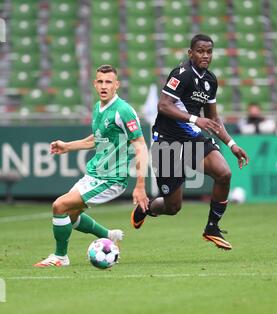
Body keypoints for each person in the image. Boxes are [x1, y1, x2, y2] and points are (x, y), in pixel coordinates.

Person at [131, 34, 249, 250]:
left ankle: (212, 227)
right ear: (190, 53)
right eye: (201, 51)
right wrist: (196, 119)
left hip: (192, 139)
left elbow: (213, 119)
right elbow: (164, 106)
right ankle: (146, 208)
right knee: (173, 206)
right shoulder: (181, 74)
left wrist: (232, 145)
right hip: (167, 142)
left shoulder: (210, 80)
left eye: (209, 51)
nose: (205, 55)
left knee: (224, 173)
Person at [35, 64, 149, 267]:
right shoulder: (98, 108)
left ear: (117, 85)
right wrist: (67, 146)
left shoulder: (123, 111)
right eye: (100, 82)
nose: (104, 86)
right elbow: (95, 139)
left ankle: (60, 257)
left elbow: (140, 146)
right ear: (94, 84)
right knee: (70, 214)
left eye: (109, 82)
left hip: (111, 179)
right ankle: (108, 235)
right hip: (94, 174)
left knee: (59, 206)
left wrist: (140, 185)